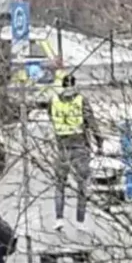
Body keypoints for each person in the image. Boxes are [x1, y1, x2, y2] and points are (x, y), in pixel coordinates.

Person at [48, 73, 97, 230]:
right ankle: (80, 220)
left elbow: (51, 116)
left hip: (61, 147)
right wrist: (99, 141)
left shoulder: (54, 101)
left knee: (59, 185)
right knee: (82, 184)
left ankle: (59, 218)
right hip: (80, 147)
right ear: (75, 85)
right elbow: (92, 123)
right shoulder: (81, 101)